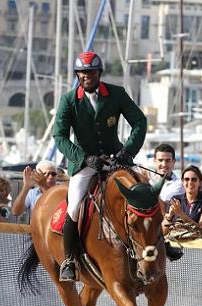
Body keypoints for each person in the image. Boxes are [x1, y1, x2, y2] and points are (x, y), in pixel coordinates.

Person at [52, 51, 147, 281]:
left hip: (116, 159)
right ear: (77, 75)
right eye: (83, 73)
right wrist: (83, 158)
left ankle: (161, 244)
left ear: (99, 73)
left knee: (144, 195)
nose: (87, 76)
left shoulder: (116, 94)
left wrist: (127, 151)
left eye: (91, 72)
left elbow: (139, 121)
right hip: (85, 163)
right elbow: (60, 136)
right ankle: (69, 260)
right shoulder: (68, 100)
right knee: (74, 206)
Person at [148, 144, 184, 209]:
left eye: (167, 161)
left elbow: (166, 207)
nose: (164, 164)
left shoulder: (179, 184)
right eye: (160, 160)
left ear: (174, 162)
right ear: (154, 161)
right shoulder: (147, 179)